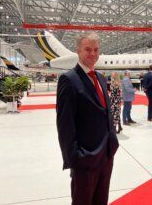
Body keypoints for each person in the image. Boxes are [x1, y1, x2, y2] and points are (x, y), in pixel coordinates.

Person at [56, 32, 119, 205]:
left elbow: (105, 113)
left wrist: (112, 143)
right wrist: (75, 158)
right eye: (88, 49)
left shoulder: (99, 77)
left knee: (101, 200)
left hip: (106, 155)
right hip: (85, 160)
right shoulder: (68, 79)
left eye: (96, 49)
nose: (92, 53)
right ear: (78, 51)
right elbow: (64, 125)